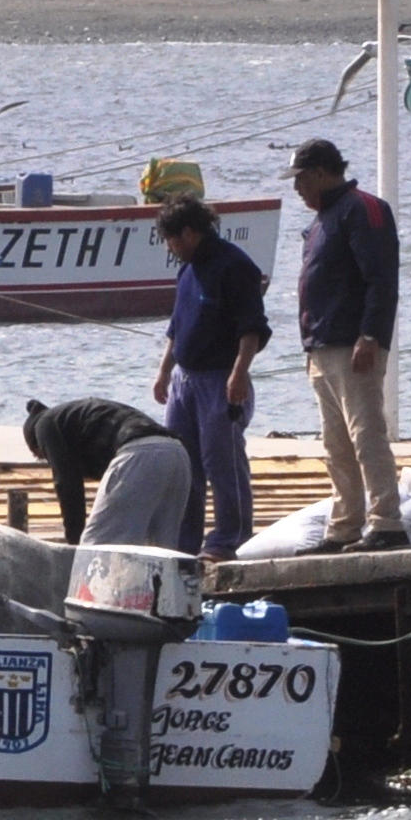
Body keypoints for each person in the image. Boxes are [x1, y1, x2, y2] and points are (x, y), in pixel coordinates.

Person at [289, 136, 407, 551]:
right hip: (321, 345)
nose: (296, 188)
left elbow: (381, 277)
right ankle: (344, 526)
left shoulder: (363, 208)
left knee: (365, 435)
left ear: (322, 173)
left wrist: (370, 334)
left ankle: (387, 522)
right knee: (335, 444)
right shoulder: (324, 217)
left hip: (353, 343)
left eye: (301, 179)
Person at [152, 198, 270, 561]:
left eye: (171, 240)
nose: (170, 248)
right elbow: (177, 325)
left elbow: (252, 328)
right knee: (184, 465)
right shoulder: (187, 270)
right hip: (185, 381)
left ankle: (229, 538)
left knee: (223, 462)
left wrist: (239, 373)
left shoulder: (234, 266)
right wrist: (163, 370)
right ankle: (185, 543)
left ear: (189, 233)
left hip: (220, 378)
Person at [22, 395, 194, 552]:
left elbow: (67, 484)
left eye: (42, 457)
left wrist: (75, 545)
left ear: (35, 443)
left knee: (98, 548)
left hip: (139, 453)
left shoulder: (44, 425)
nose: (46, 460)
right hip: (177, 453)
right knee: (160, 551)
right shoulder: (74, 419)